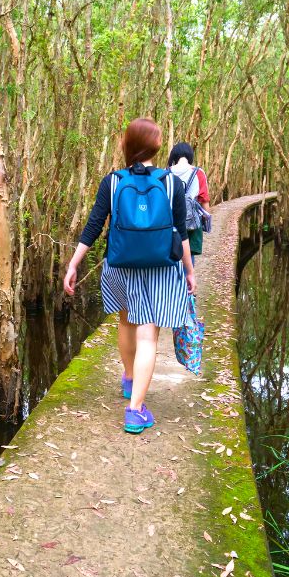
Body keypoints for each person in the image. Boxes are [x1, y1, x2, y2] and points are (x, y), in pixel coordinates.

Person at [63, 118, 195, 434]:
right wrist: (190, 272)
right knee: (148, 333)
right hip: (161, 266)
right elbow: (183, 234)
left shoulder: (112, 182)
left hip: (121, 264)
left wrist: (73, 264)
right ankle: (135, 410)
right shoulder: (171, 183)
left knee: (126, 320)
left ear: (128, 145)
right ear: (156, 147)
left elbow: (94, 227)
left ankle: (129, 378)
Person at [167, 142, 211, 264]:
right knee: (189, 254)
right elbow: (204, 200)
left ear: (174, 156)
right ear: (190, 156)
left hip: (170, 220)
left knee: (170, 253)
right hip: (191, 221)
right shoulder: (198, 173)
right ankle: (187, 279)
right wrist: (206, 222)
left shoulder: (166, 172)